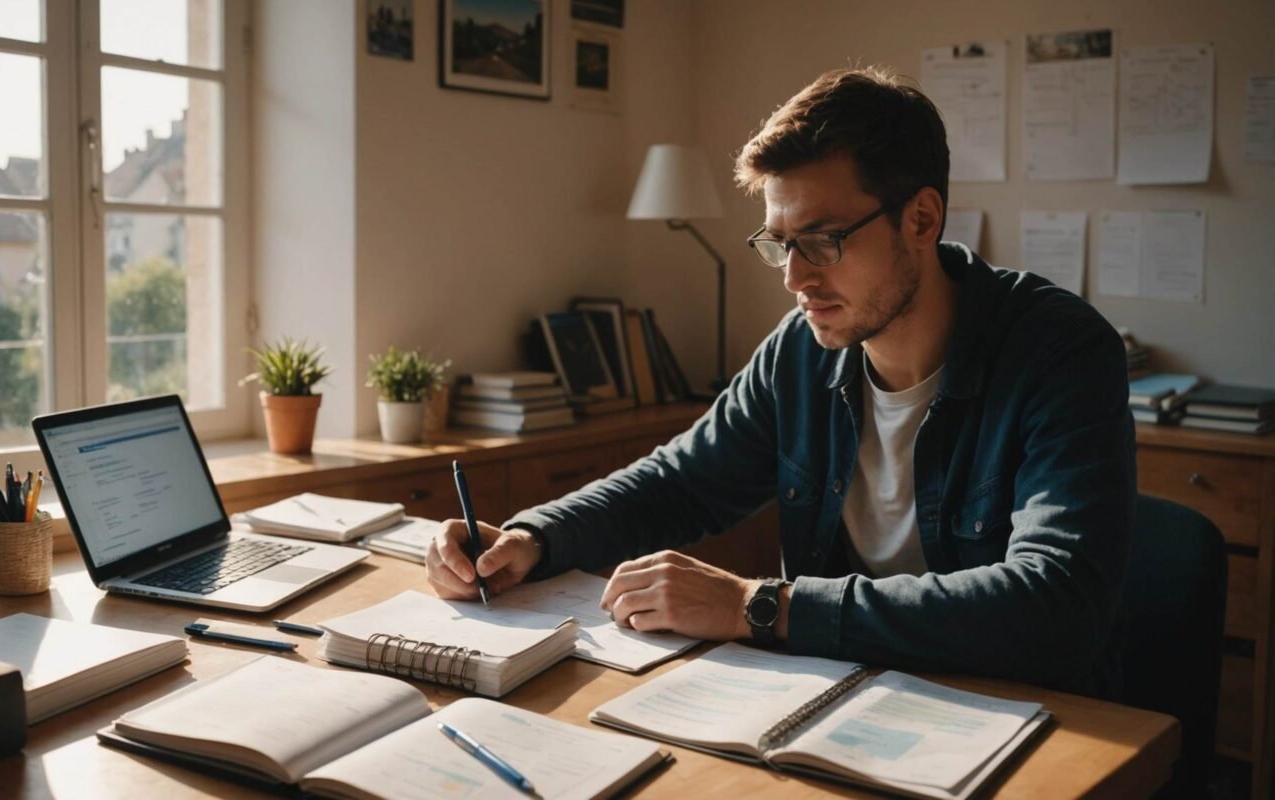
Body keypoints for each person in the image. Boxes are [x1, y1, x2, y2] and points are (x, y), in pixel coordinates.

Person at [426, 66, 1134, 698]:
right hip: (832, 699)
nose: (795, 279)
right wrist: (531, 537)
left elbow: (1058, 605)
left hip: (1015, 715)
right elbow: (681, 480)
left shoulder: (1059, 353)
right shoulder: (802, 350)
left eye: (822, 241)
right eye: (779, 244)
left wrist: (761, 605)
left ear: (921, 218)